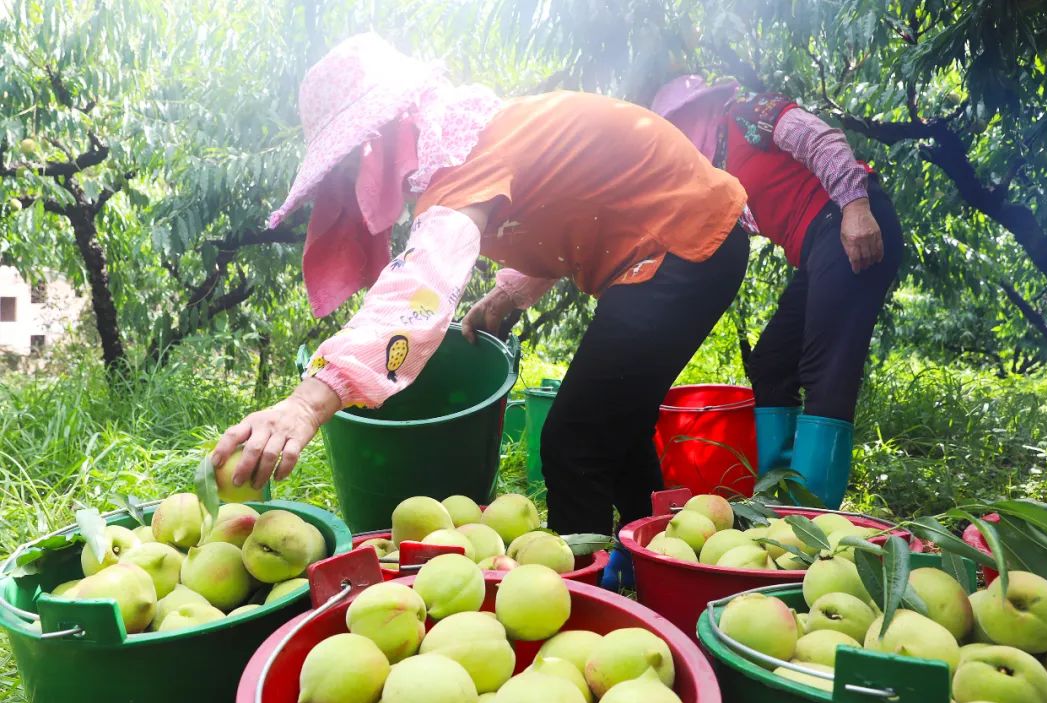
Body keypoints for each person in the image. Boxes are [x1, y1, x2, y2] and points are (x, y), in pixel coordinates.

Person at [211, 34, 750, 589]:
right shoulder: (483, 138)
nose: (348, 181)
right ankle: (664, 567)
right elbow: (573, 202)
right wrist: (508, 294)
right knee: (615, 425)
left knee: (574, 442)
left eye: (347, 163)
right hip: (689, 245)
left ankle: (579, 603)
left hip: (685, 246)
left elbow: (419, 290)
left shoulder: (466, 159)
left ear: (379, 141)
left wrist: (305, 405)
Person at [651, 75, 905, 509]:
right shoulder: (714, 171)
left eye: (675, 126)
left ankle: (810, 516)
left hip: (848, 220)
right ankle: (775, 499)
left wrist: (856, 208)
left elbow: (821, 140)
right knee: (771, 364)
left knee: (825, 370)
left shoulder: (748, 115)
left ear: (696, 112)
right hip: (816, 248)